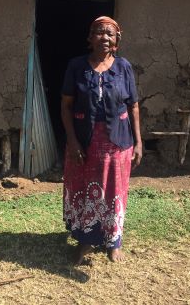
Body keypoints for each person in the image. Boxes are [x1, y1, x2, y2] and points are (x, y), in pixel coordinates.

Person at [60, 16, 142, 264]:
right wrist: (73, 141)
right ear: (89, 37)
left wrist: (139, 142)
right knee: (86, 190)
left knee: (115, 190)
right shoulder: (77, 66)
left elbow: (134, 106)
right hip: (85, 141)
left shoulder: (124, 67)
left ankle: (113, 241)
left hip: (118, 140)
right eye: (98, 32)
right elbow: (66, 106)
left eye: (110, 34)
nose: (104, 37)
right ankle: (85, 241)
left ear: (117, 40)